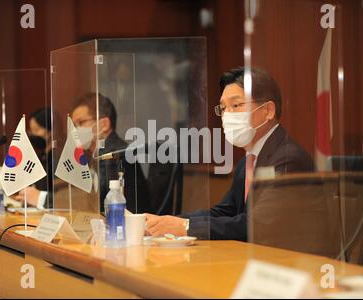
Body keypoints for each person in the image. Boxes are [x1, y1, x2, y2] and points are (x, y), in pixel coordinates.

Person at [145, 67, 314, 241]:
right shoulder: (247, 161)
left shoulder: (289, 159)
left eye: (236, 105)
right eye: (223, 108)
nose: (227, 115)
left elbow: (257, 224)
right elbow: (225, 211)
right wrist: (167, 222)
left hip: (289, 262)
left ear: (268, 111)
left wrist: (185, 227)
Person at [71, 93, 151, 213]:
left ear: (104, 124)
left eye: (81, 123)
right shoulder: (96, 154)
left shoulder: (116, 154)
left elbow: (93, 196)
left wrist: (44, 198)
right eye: (74, 125)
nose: (75, 130)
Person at [14, 107, 53, 208]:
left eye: (36, 130)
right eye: (31, 131)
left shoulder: (57, 158)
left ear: (50, 130)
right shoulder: (41, 157)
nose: (33, 135)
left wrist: (39, 198)